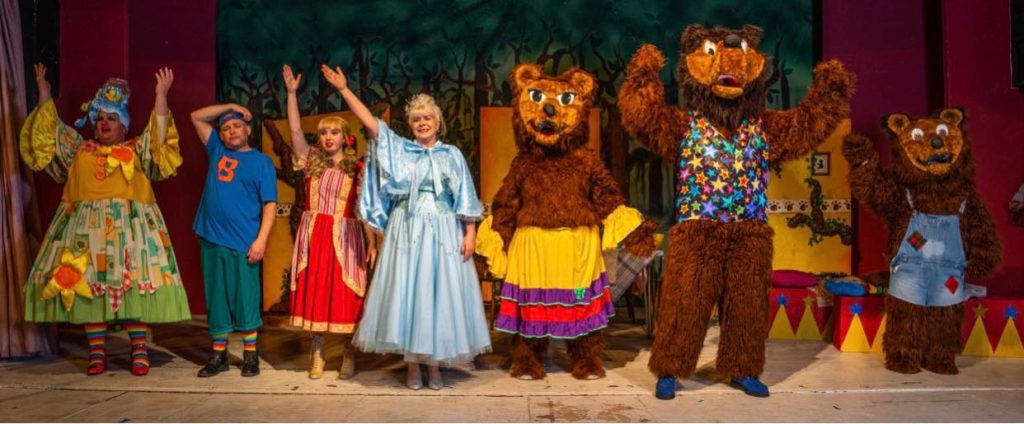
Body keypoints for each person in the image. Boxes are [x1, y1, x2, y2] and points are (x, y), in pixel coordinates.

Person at [319, 64, 491, 390]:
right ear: (410, 124)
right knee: (409, 293)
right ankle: (413, 365)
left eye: (427, 118)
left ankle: (434, 365)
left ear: (438, 122)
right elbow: (371, 124)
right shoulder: (401, 150)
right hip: (407, 228)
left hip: (442, 229)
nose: (422, 123)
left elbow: (465, 195)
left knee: (438, 296)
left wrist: (470, 233)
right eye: (416, 119)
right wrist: (343, 89)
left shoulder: (451, 154)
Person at [20, 64, 191, 376]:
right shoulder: (79, 150)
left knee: (134, 289)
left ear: (123, 125)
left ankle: (139, 349)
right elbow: (51, 133)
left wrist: (161, 96)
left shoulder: (136, 150)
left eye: (111, 118)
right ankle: (97, 352)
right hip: (87, 234)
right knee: (90, 288)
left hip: (131, 234)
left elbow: (159, 139)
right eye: (99, 118)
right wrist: (44, 92)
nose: (104, 123)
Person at [282, 65, 377, 379]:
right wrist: (292, 94)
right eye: (323, 133)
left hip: (346, 235)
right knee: (317, 291)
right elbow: (296, 132)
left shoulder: (357, 168)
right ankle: (318, 352)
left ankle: (348, 352)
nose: (327, 137)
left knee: (346, 293)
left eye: (334, 132)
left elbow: (364, 209)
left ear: (345, 137)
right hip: (315, 235)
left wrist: (371, 242)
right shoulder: (312, 161)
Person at [190, 101, 277, 378]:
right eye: (226, 128)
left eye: (237, 125)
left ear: (248, 130)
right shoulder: (217, 149)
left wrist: (261, 240)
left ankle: (250, 354)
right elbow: (196, 116)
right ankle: (219, 354)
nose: (231, 131)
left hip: (243, 241)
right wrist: (230, 105)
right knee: (216, 297)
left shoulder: (261, 162)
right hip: (212, 237)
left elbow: (270, 205)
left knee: (245, 297)